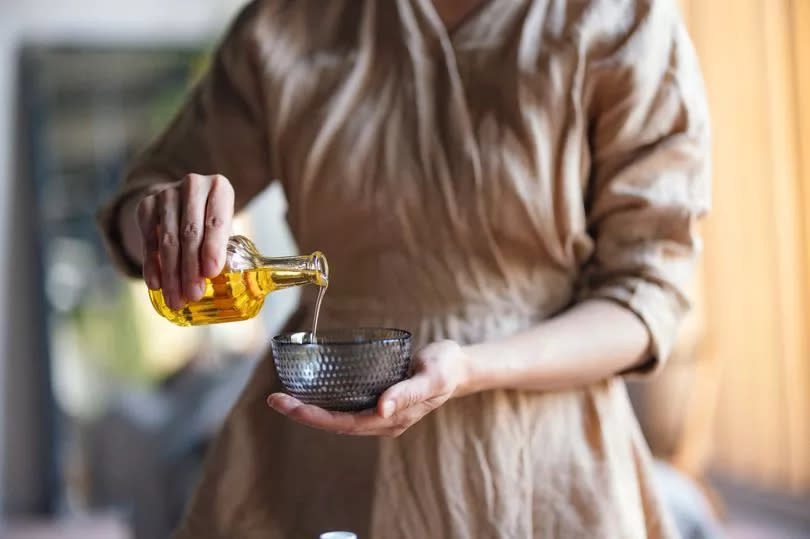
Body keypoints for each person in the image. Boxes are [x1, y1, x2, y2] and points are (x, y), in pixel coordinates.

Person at [98, 0, 710, 537]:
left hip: (541, 467)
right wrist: (159, 221)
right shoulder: (285, 23)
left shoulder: (620, 18)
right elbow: (136, 207)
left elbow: (646, 293)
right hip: (321, 458)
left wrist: (471, 367)